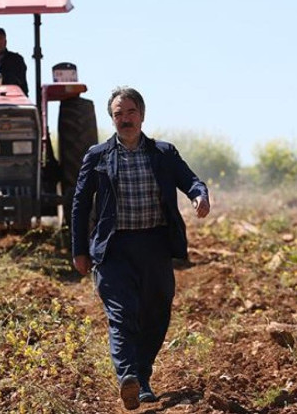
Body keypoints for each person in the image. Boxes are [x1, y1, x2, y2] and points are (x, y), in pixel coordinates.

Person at [71, 86, 210, 410]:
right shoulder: (98, 156)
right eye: (118, 114)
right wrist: (80, 249)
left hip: (154, 245)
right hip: (113, 248)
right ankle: (127, 376)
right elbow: (79, 205)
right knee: (121, 315)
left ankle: (142, 378)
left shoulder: (162, 153)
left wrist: (198, 195)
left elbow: (190, 180)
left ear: (142, 115)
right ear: (112, 119)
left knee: (156, 313)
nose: (125, 119)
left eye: (130, 112)